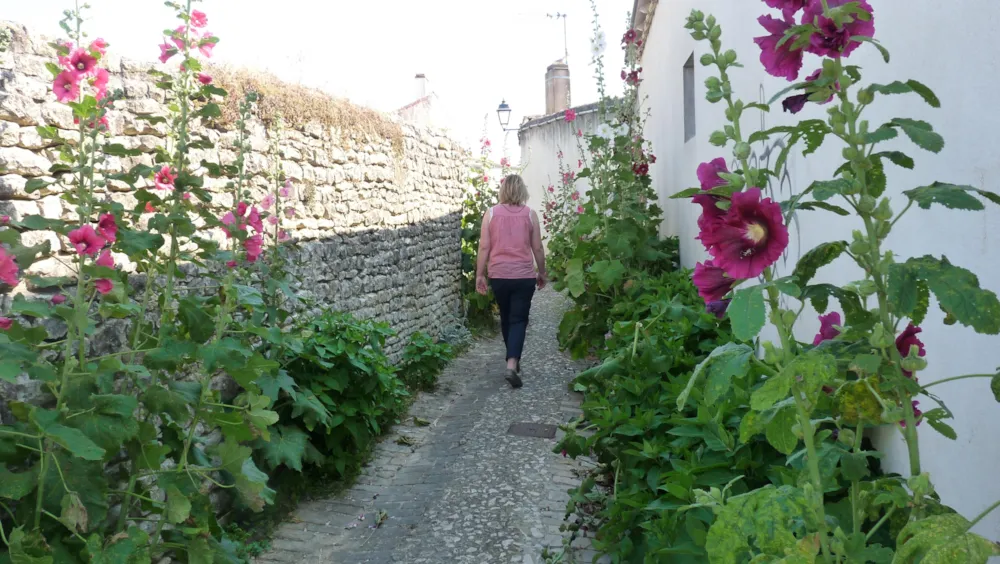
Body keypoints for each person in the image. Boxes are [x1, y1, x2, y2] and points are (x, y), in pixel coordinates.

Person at [475, 174, 547, 389]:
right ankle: (512, 362)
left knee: (506, 318)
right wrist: (542, 271)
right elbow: (538, 248)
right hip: (523, 276)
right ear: (522, 191)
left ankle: (511, 361)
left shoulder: (491, 214)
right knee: (518, 319)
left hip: (499, 275)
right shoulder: (530, 215)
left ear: (503, 191)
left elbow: (484, 247)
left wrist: (480, 274)